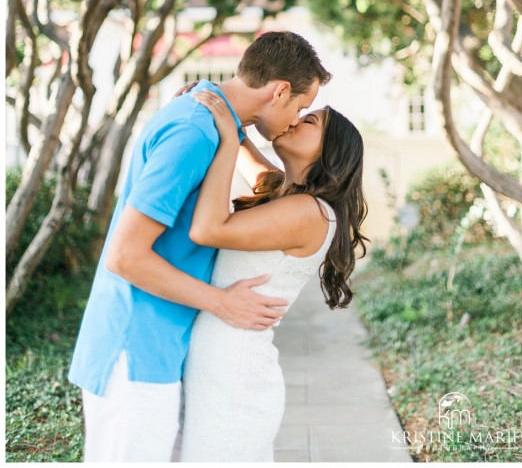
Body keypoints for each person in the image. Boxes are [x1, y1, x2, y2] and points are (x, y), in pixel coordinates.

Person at [68, 31, 331, 463]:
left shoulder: (209, 121)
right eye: (300, 108)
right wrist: (221, 303)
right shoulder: (196, 129)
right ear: (280, 90)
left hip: (159, 347)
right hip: (135, 349)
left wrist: (238, 136)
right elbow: (124, 255)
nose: (295, 120)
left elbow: (268, 184)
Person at [178, 88, 369, 461]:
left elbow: (207, 230)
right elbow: (245, 147)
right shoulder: (284, 193)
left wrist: (227, 141)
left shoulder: (310, 212)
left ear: (330, 151)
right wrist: (217, 104)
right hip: (218, 367)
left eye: (309, 120)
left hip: (235, 377)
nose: (296, 119)